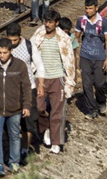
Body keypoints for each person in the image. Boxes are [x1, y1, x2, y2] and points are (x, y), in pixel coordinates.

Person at [30, 11, 75, 154]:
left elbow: (70, 60)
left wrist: (69, 82)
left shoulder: (63, 38)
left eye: (50, 22)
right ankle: (46, 128)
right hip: (40, 78)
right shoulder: (38, 35)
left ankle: (56, 142)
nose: (47, 25)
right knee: (38, 108)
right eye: (46, 21)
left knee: (57, 112)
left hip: (57, 78)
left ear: (56, 23)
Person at [0, 39, 31, 176]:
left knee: (15, 136)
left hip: (15, 108)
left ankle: (14, 162)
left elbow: (26, 87)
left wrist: (27, 105)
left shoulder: (20, 66)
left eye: (5, 53)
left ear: (11, 51)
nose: (2, 55)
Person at [76, 0, 107, 119]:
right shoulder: (81, 20)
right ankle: (91, 109)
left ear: (96, 8)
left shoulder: (104, 22)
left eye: (90, 8)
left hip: (99, 57)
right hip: (85, 56)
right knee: (87, 84)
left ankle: (101, 101)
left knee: (100, 84)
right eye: (86, 8)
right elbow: (76, 36)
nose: (88, 11)